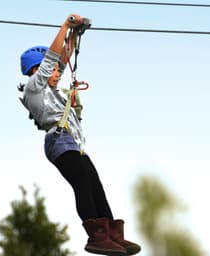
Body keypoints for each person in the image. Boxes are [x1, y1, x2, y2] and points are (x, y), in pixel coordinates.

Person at [18, 14, 141, 256]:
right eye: (49, 69)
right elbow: (53, 59)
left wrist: (75, 35)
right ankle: (96, 236)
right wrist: (65, 26)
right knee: (82, 184)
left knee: (96, 187)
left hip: (73, 144)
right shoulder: (34, 88)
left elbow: (61, 60)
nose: (56, 72)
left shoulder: (52, 90)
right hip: (58, 142)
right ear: (36, 69)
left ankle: (112, 235)